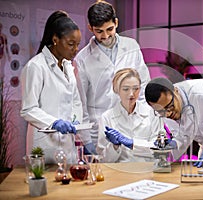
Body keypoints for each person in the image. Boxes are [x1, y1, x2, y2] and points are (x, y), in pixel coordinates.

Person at [74, 0, 150, 154]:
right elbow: (80, 103)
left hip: (132, 124)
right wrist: (87, 140)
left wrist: (145, 121)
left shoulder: (131, 46)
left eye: (110, 29)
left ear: (116, 22)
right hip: (100, 129)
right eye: (99, 31)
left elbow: (143, 87)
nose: (106, 35)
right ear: (90, 28)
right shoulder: (82, 59)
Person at [20, 10, 83, 164]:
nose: (75, 49)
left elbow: (75, 101)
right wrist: (54, 123)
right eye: (70, 44)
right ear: (55, 39)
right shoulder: (36, 66)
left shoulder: (69, 66)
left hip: (67, 144)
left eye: (77, 45)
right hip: (44, 144)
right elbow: (28, 109)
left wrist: (75, 120)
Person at [97, 68, 163, 162]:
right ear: (117, 90)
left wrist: (132, 143)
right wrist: (114, 146)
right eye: (126, 89)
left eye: (136, 89)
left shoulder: (153, 113)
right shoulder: (107, 117)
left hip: (147, 171)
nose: (131, 94)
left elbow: (160, 149)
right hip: (118, 172)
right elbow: (103, 160)